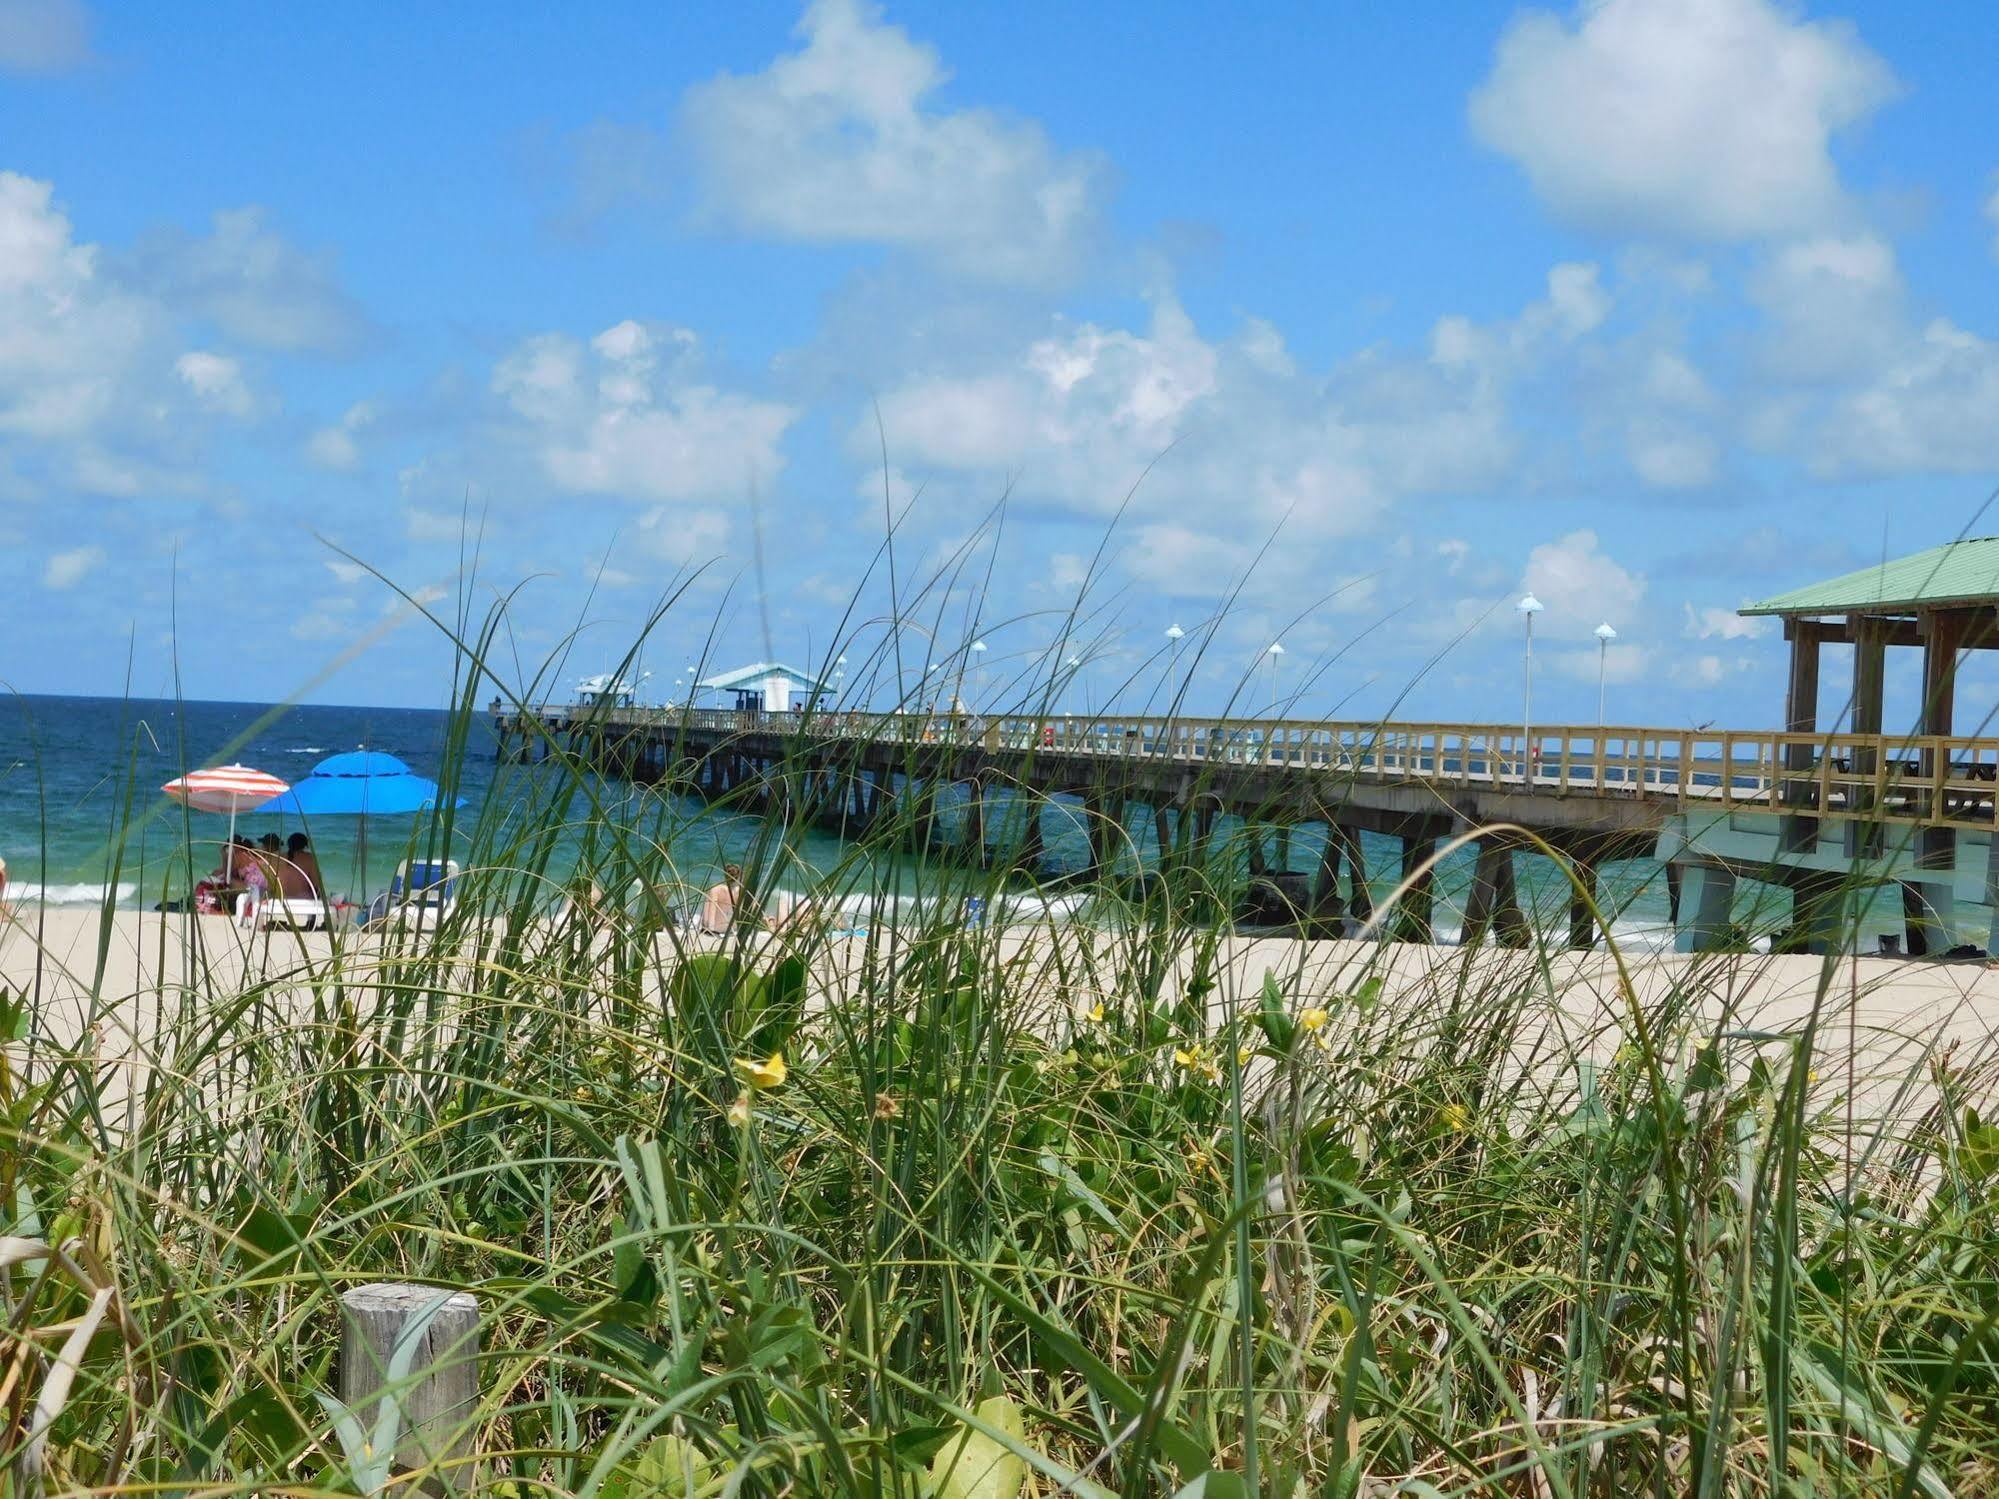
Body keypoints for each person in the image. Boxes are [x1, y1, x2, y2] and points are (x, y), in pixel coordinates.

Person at [700, 864, 747, 935]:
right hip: (734, 928)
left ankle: (707, 927)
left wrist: (710, 929)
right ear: (739, 876)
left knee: (708, 898)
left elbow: (712, 912)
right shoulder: (742, 891)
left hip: (717, 928)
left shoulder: (716, 889)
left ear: (725, 875)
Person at [279, 833, 324, 901]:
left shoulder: (280, 857)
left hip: (281, 897)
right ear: (305, 845)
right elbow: (316, 883)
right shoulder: (309, 858)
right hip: (302, 898)